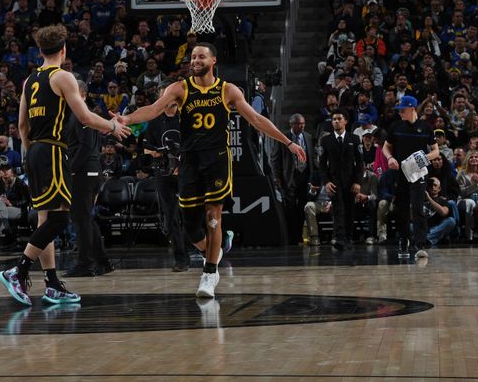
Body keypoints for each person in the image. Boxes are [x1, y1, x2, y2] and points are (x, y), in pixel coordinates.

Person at [112, 42, 306, 298]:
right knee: (191, 227)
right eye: (193, 57)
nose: (195, 60)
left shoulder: (228, 90)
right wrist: (127, 118)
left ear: (213, 61)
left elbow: (257, 120)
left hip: (217, 159)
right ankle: (215, 249)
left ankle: (210, 273)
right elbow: (154, 110)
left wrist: (289, 142)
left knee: (213, 215)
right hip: (189, 160)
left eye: (201, 56)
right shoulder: (179, 88)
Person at [0, 24, 130, 307]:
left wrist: (31, 152)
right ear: (63, 50)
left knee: (45, 218)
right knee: (59, 219)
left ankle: (52, 283)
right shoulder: (63, 77)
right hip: (54, 150)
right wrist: (112, 126)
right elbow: (84, 117)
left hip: (32, 151)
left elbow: (21, 125)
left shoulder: (30, 80)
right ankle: (18, 270)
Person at [64, 79, 115, 277]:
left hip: (86, 172)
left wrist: (70, 168)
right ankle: (103, 261)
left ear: (82, 94)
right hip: (88, 171)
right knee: (84, 218)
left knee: (81, 219)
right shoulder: (79, 115)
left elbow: (85, 147)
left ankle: (85, 263)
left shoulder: (81, 114)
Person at [381, 95, 440, 260]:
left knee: (418, 207)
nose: (400, 113)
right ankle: (404, 240)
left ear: (412, 108)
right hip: (400, 172)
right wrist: (390, 158)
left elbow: (436, 151)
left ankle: (420, 244)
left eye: (403, 110)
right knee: (401, 208)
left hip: (418, 172)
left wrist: (422, 159)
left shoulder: (426, 128)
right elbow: (386, 148)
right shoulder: (396, 126)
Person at [143, 80, 189, 271]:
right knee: (170, 217)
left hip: (186, 172)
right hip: (163, 173)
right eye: (163, 96)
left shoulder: (186, 117)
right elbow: (146, 148)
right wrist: (157, 153)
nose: (166, 99)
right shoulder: (154, 121)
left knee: (192, 214)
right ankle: (181, 258)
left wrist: (181, 162)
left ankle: (204, 248)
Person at [318, 109, 364, 250]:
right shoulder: (325, 140)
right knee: (338, 210)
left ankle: (349, 237)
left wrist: (357, 181)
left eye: (339, 118)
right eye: (334, 119)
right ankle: (339, 238)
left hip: (350, 181)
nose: (336, 121)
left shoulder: (354, 139)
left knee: (349, 210)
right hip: (334, 181)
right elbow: (322, 164)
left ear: (345, 121)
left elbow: (360, 163)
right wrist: (326, 182)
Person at [272, 113, 316, 244]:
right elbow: (275, 159)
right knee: (290, 208)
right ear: (292, 124)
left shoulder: (309, 137)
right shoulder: (283, 137)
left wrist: (313, 177)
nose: (302, 126)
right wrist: (276, 177)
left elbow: (312, 158)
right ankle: (291, 237)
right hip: (289, 177)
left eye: (303, 123)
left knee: (302, 206)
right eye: (298, 124)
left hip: (305, 175)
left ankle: (298, 236)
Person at [423, 177, 457, 247]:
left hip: (437, 228)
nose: (432, 187)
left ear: (439, 189)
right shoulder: (421, 199)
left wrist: (429, 199)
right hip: (423, 228)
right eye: (431, 185)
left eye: (435, 185)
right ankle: (431, 238)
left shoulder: (442, 200)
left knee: (451, 221)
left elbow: (444, 212)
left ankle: (425, 239)